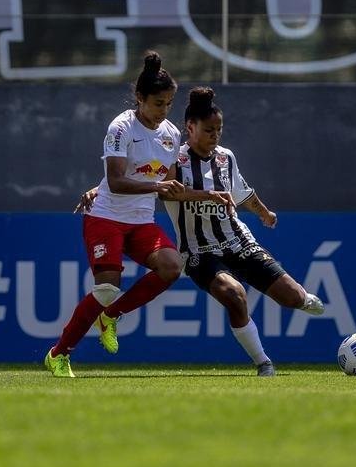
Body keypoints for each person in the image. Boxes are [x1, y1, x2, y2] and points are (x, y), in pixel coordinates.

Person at [76, 86, 325, 376]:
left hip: (238, 241)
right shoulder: (173, 158)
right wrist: (97, 189)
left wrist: (264, 213)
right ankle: (264, 363)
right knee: (234, 295)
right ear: (190, 128)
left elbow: (243, 193)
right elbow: (140, 176)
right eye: (209, 130)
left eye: (219, 129)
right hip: (198, 252)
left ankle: (302, 299)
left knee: (293, 298)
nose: (215, 135)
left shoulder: (226, 158)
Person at [43, 51, 234, 378]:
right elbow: (116, 182)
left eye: (169, 103)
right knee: (106, 288)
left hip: (140, 223)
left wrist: (208, 194)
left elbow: (171, 186)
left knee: (173, 266)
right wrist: (146, 188)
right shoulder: (121, 127)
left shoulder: (171, 135)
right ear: (140, 98)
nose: (164, 110)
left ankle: (111, 316)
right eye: (158, 103)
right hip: (106, 218)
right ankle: (59, 354)